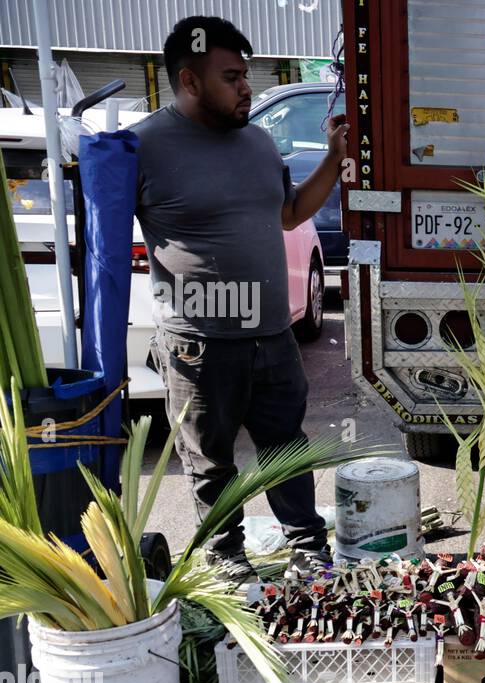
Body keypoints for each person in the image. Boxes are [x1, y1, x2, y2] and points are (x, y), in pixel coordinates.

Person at [135, 17, 349, 582]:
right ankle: (227, 561)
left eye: (246, 75)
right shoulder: (143, 146)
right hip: (199, 344)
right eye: (232, 77)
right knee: (210, 464)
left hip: (273, 336)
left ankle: (308, 549)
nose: (247, 88)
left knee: (286, 450)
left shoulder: (255, 141)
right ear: (190, 79)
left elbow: (288, 213)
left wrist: (333, 157)